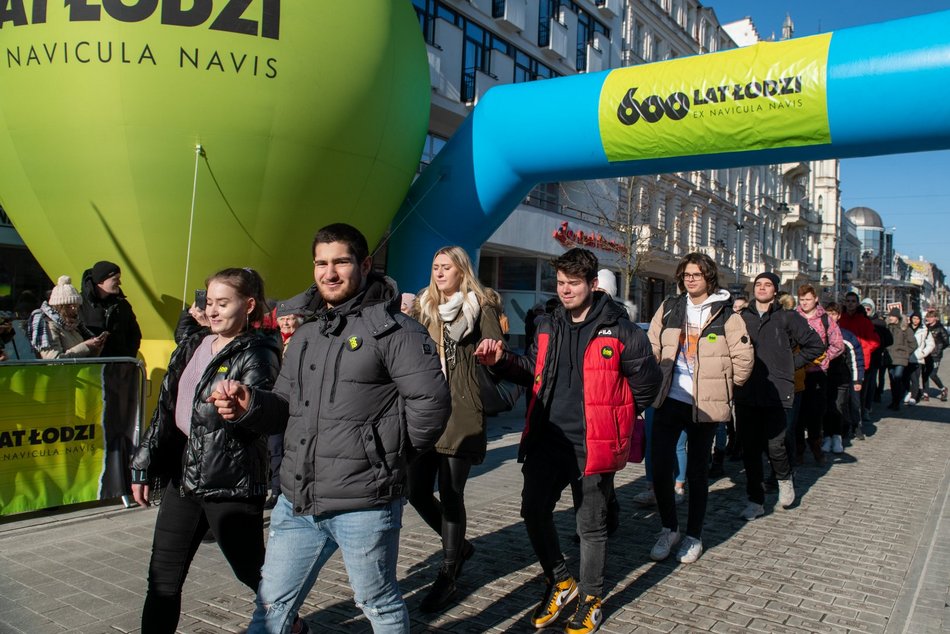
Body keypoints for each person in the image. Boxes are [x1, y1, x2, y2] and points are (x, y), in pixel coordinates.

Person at [209, 223, 451, 633]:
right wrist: (250, 405)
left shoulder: (396, 330)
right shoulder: (307, 332)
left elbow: (431, 403)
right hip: (297, 501)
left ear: (365, 265)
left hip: (365, 504)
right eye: (321, 263)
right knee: (271, 606)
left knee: (378, 604)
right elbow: (283, 408)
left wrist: (385, 458)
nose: (329, 273)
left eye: (341, 262)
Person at [475, 247, 661, 634]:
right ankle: (561, 581)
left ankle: (592, 598)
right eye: (560, 282)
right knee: (533, 510)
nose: (564, 290)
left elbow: (647, 387)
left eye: (573, 283)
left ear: (593, 284)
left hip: (592, 446)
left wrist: (613, 420)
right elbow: (532, 369)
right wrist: (501, 362)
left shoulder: (622, 331)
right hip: (547, 438)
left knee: (589, 526)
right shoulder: (548, 324)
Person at [129, 268, 281, 634]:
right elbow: (166, 409)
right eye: (209, 302)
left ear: (248, 305)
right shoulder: (194, 344)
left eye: (223, 303)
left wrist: (243, 408)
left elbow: (266, 413)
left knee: (254, 573)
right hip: (183, 477)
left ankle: (289, 624)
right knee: (162, 579)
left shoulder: (258, 353)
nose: (212, 311)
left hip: (230, 480)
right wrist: (143, 463)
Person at [407, 246, 505, 612]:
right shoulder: (423, 306)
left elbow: (495, 345)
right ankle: (460, 546)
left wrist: (492, 349)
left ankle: (448, 572)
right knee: (416, 491)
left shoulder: (481, 304)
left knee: (451, 493)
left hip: (460, 410)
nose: (439, 272)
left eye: (446, 267)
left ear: (462, 270)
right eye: (435, 266)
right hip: (424, 408)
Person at [646, 253, 753, 564]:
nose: (690, 279)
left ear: (709, 277)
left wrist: (723, 388)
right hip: (669, 399)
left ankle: (694, 535)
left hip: (705, 405)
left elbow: (744, 358)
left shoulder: (726, 314)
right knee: (660, 467)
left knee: (697, 472)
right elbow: (652, 345)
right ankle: (669, 528)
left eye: (696, 274)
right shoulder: (670, 307)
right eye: (686, 274)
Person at [734, 272, 823, 521]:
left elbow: (816, 345)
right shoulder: (741, 317)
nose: (762, 288)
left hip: (778, 391)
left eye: (768, 285)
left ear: (775, 291)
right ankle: (755, 501)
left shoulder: (787, 317)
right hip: (746, 391)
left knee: (776, 445)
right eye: (758, 284)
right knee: (750, 449)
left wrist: (790, 364)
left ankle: (784, 479)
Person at [79, 260, 144, 499]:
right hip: (90, 374)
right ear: (100, 281)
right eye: (114, 279)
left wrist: (126, 356)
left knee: (117, 424)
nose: (119, 282)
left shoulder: (121, 305)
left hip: (118, 371)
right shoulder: (82, 305)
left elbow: (135, 333)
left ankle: (117, 480)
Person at [794, 284, 843, 466]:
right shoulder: (793, 317)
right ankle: (798, 448)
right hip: (797, 372)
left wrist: (825, 359)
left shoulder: (825, 319)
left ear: (815, 299)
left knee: (815, 413)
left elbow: (838, 344)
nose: (804, 303)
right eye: (802, 299)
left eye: (808, 299)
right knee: (797, 414)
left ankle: (815, 445)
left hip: (817, 372)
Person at [27, 275, 106, 359]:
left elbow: (83, 357)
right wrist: (86, 345)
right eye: (68, 306)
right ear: (58, 307)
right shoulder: (48, 326)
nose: (74, 309)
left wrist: (95, 347)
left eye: (76, 305)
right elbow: (53, 360)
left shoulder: (74, 326)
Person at [824, 303, 865, 450]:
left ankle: (837, 437)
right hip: (823, 377)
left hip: (841, 378)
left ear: (839, 316)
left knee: (838, 406)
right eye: (828, 314)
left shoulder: (846, 336)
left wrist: (857, 379)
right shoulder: (819, 333)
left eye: (834, 314)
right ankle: (826, 437)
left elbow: (856, 359)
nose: (831, 317)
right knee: (825, 407)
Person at [883, 307, 917, 411]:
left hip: (901, 358)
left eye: (893, 316)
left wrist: (906, 352)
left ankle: (897, 401)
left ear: (897, 317)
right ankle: (894, 401)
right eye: (890, 316)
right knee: (892, 380)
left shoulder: (905, 328)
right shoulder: (887, 328)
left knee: (898, 377)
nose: (891, 318)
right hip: (889, 358)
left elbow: (913, 344)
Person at [862, 299, 891, 408]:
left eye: (868, 309)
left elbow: (889, 340)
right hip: (860, 357)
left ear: (872, 309)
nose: (866, 311)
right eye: (864, 308)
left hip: (874, 357)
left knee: (870, 382)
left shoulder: (879, 323)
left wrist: (879, 345)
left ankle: (867, 406)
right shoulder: (858, 321)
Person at [907, 312, 934, 404]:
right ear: (911, 318)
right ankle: (910, 392)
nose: (915, 320)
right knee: (906, 377)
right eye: (914, 318)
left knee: (915, 377)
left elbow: (931, 344)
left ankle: (914, 397)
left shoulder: (924, 330)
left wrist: (924, 353)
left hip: (918, 356)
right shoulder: (906, 328)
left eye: (917, 319)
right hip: (906, 356)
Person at [923, 309, 948, 401]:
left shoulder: (940, 328)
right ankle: (925, 393)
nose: (929, 319)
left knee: (932, 374)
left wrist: (938, 349)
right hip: (926, 353)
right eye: (928, 317)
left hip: (935, 355)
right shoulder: (925, 327)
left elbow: (946, 342)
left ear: (935, 318)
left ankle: (943, 389)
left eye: (931, 317)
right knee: (925, 373)